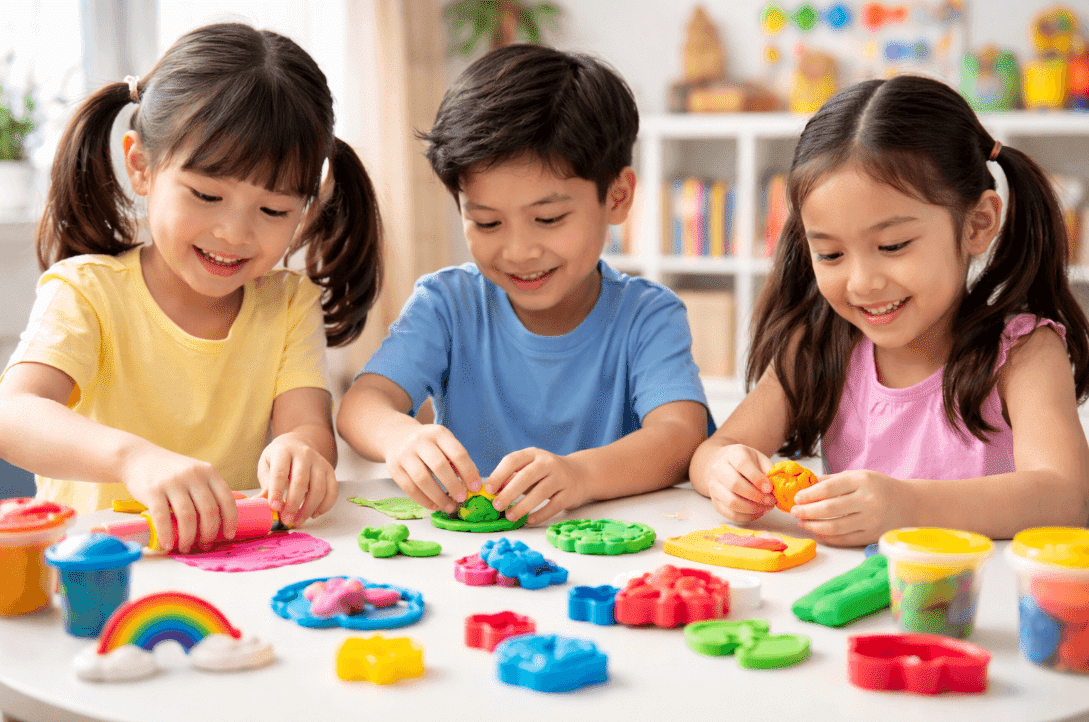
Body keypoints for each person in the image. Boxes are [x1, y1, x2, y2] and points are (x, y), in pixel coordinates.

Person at [0, 23, 383, 552]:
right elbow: (13, 414)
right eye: (205, 196)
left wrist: (302, 454)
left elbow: (310, 429)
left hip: (226, 564)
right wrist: (133, 459)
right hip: (98, 569)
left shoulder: (289, 303)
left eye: (273, 210)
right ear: (141, 166)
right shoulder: (87, 291)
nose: (234, 234)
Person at [689, 75, 1089, 546]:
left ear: (978, 224)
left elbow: (1066, 497)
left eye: (893, 245)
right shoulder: (817, 346)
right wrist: (726, 472)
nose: (862, 283)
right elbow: (714, 450)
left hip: (976, 605)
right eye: (831, 254)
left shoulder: (1023, 352)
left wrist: (907, 507)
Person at [337, 44, 710, 526]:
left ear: (616, 198)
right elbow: (362, 404)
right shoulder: (447, 305)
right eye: (488, 223)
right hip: (471, 559)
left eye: (549, 218)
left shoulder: (648, 316)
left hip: (609, 560)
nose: (518, 251)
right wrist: (399, 437)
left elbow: (680, 435)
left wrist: (580, 475)